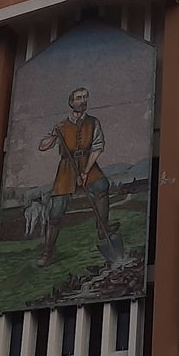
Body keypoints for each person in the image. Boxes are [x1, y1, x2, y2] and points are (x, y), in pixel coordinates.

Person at [37, 86, 120, 267]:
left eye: (84, 97)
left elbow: (97, 147)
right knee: (56, 210)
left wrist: (85, 172)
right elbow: (43, 146)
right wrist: (53, 135)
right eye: (78, 98)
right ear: (71, 102)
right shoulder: (61, 125)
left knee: (101, 185)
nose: (82, 101)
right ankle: (48, 252)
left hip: (86, 162)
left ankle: (102, 228)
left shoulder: (93, 122)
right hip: (67, 166)